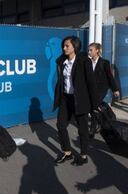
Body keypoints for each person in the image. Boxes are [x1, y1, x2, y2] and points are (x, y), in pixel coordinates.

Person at [53, 36, 97, 166]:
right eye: (64, 45)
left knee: (82, 129)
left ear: (75, 47)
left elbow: (91, 83)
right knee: (61, 125)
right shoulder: (61, 61)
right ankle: (67, 152)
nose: (64, 48)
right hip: (66, 99)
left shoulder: (84, 61)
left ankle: (83, 156)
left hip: (80, 100)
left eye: (67, 46)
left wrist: (94, 104)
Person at [88, 42, 119, 138]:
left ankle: (93, 129)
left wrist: (115, 89)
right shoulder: (87, 62)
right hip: (91, 89)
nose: (89, 52)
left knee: (94, 106)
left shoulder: (104, 62)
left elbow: (110, 76)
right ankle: (100, 123)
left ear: (97, 51)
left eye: (91, 50)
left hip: (102, 88)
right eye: (88, 50)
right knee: (93, 107)